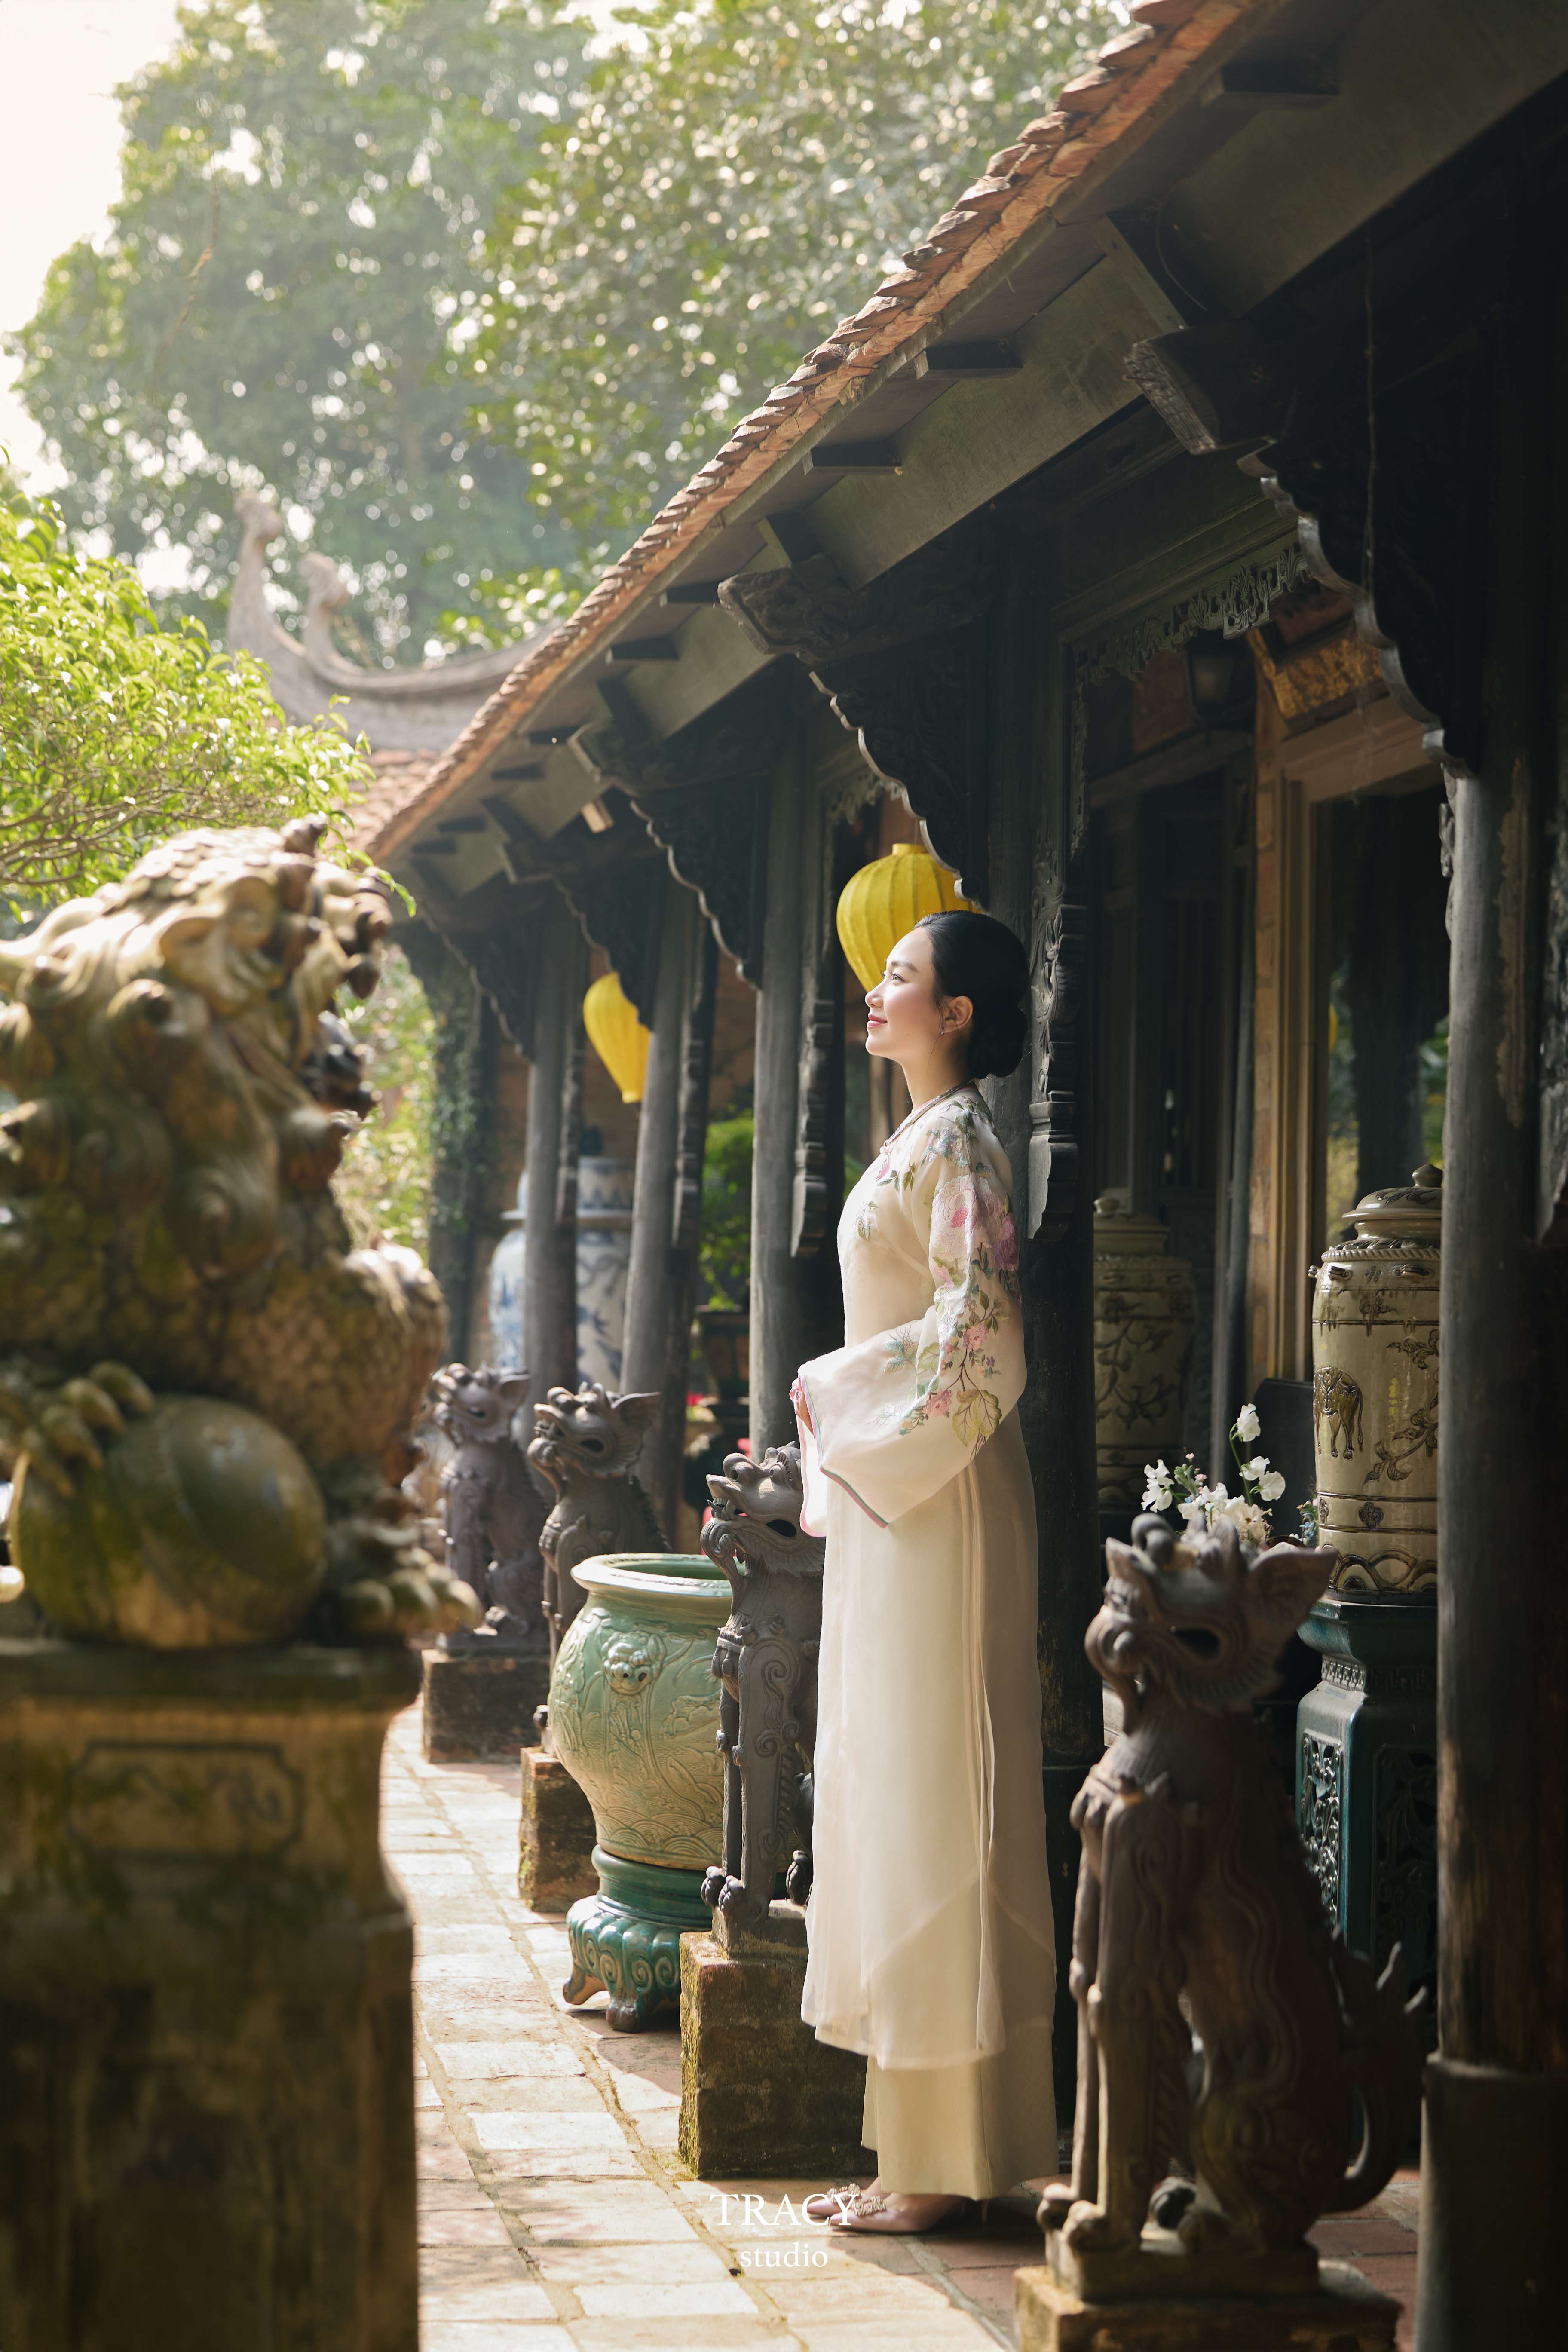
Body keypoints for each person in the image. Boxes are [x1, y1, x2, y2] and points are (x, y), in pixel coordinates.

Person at [792, 908, 1057, 2237]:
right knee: (896, 1785)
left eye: (901, 976)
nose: (877, 991)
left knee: (937, 1790)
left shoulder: (961, 1145)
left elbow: (985, 1336)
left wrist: (840, 1394)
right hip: (899, 1489)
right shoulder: (924, 1141)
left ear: (957, 1014)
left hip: (936, 1492)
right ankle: (926, 2147)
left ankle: (941, 2159)